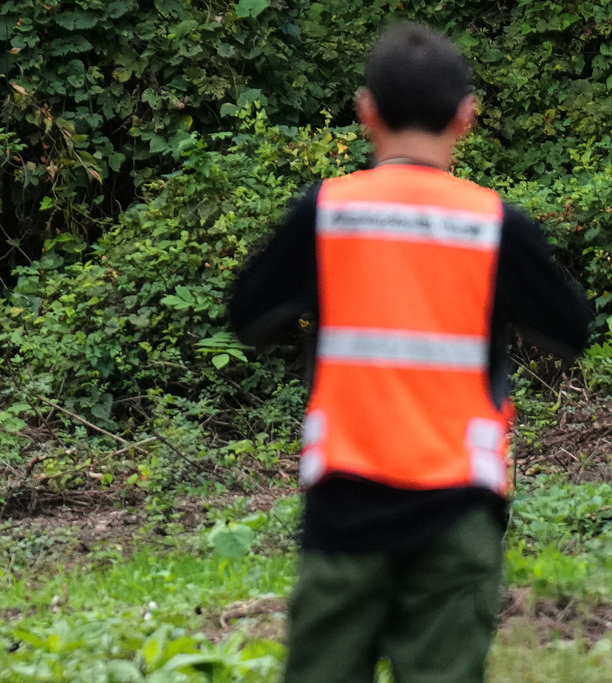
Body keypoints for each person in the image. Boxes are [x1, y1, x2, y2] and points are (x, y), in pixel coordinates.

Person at [229, 22, 593, 683]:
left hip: (345, 504)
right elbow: (571, 328)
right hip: (457, 511)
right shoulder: (493, 223)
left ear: (366, 112)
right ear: (467, 117)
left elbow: (247, 314)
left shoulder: (328, 212)